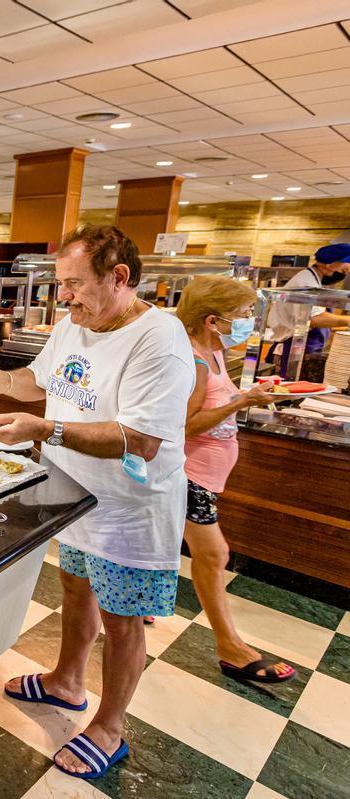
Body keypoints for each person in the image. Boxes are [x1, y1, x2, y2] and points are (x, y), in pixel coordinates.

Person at [0, 224, 194, 781]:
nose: (63, 297)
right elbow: (37, 382)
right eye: (60, 284)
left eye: (73, 284)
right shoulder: (72, 324)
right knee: (74, 586)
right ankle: (67, 680)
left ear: (119, 277)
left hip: (130, 507)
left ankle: (110, 728)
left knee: (122, 617)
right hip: (72, 496)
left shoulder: (159, 338)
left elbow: (141, 438)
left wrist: (47, 429)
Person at [175, 276, 297, 682]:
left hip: (208, 477)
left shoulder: (215, 355)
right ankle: (230, 646)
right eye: (243, 315)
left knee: (168, 545)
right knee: (213, 555)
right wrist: (244, 400)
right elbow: (186, 425)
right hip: (191, 477)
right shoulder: (193, 362)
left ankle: (138, 609)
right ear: (213, 320)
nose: (248, 321)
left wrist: (251, 394)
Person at [265, 243, 350, 374]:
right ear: (330, 264)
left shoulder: (314, 280)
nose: (347, 271)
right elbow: (314, 319)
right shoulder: (305, 283)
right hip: (295, 347)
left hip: (306, 346)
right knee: (290, 387)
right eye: (345, 268)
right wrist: (348, 320)